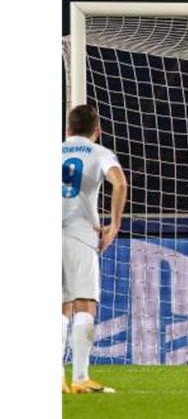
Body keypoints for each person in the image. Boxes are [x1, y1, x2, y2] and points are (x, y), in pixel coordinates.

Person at [62, 105, 128, 394]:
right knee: (85, 303)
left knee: (60, 307)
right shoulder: (99, 152)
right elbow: (120, 183)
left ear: (68, 129)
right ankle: (80, 378)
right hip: (79, 233)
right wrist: (113, 226)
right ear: (97, 131)